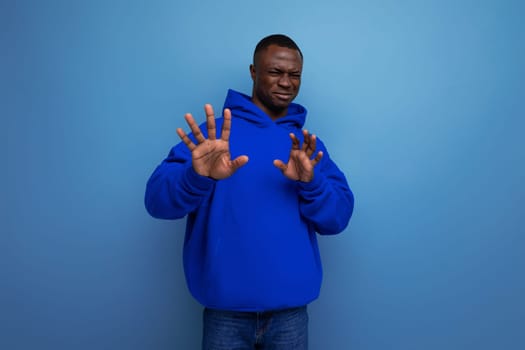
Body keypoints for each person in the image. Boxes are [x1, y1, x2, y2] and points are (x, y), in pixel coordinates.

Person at [145, 34, 354, 350]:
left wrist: (312, 184)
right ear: (254, 72)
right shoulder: (214, 137)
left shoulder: (306, 146)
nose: (286, 82)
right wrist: (195, 177)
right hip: (225, 314)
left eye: (294, 75)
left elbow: (338, 218)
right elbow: (157, 201)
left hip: (291, 315)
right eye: (275, 72)